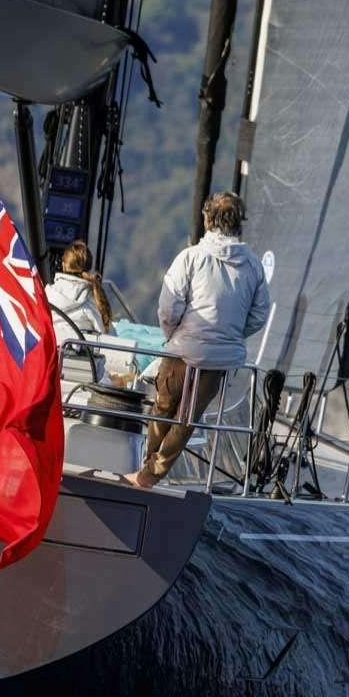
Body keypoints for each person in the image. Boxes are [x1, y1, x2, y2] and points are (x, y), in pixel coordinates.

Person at [125, 191, 270, 488]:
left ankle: (145, 469)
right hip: (218, 360)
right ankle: (151, 474)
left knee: (163, 407)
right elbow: (259, 315)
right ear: (237, 223)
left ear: (207, 218)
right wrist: (230, 338)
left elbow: (168, 307)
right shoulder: (253, 266)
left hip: (182, 350)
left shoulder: (191, 257)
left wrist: (173, 335)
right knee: (187, 419)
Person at [46, 240, 115, 336]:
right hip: (79, 350)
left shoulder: (47, 294)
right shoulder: (92, 299)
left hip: (52, 349)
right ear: (89, 267)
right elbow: (109, 336)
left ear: (63, 265)